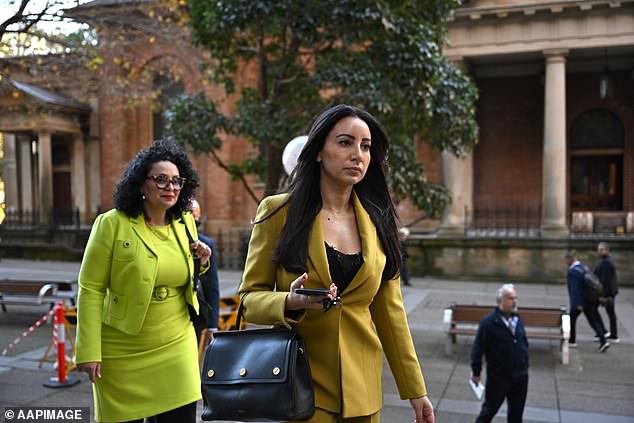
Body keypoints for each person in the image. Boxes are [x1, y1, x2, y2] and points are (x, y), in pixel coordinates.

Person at [239, 104, 435, 423]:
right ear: (318, 151)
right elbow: (249, 300)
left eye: (366, 146)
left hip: (363, 393)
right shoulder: (278, 212)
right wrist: (288, 301)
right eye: (345, 142)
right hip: (300, 386)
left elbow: (391, 314)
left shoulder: (378, 222)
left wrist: (416, 390)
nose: (357, 154)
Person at [75, 139, 212, 423]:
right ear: (140, 184)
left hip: (176, 340)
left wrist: (203, 259)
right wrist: (88, 350)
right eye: (160, 179)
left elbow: (181, 275)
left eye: (176, 180)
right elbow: (91, 288)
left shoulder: (184, 221)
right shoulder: (111, 223)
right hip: (124, 348)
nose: (170, 187)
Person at [470, 284, 528, 423]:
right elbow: (478, 349)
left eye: (515, 298)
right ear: (499, 301)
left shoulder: (517, 319)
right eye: (510, 298)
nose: (514, 301)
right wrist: (476, 372)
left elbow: (523, 342)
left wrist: (525, 362)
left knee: (516, 414)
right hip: (499, 377)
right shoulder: (489, 323)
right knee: (489, 410)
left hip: (520, 376)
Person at [564, 250, 610, 352]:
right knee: (593, 320)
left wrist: (577, 304)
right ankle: (603, 341)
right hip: (590, 299)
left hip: (581, 301)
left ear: (570, 259)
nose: (566, 262)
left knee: (571, 319)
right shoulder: (584, 267)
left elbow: (574, 289)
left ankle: (572, 340)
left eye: (566, 260)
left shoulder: (573, 272)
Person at [191, 198, 221, 343]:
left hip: (197, 314)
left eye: (196, 217)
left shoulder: (206, 244)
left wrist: (212, 325)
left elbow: (212, 286)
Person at [594, 242, 619, 343]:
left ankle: (609, 333)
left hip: (606, 293)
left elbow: (606, 280)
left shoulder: (607, 262)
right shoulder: (605, 261)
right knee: (609, 313)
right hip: (607, 292)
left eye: (602, 249)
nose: (599, 251)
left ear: (607, 250)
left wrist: (602, 294)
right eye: (599, 249)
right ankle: (606, 332)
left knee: (593, 310)